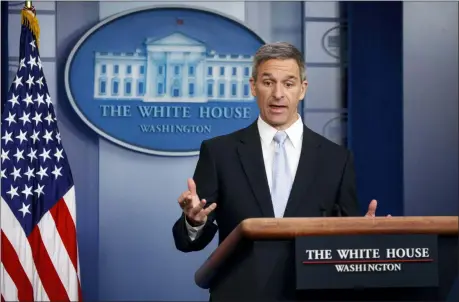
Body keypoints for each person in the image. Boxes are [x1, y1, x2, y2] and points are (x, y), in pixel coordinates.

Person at [172, 42, 381, 253]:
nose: (278, 94)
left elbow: (347, 242)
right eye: (268, 82)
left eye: (289, 84)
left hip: (310, 284)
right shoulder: (219, 153)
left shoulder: (337, 159)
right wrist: (194, 222)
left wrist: (364, 234)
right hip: (245, 285)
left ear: (302, 89)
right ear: (253, 86)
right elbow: (188, 242)